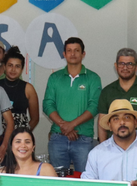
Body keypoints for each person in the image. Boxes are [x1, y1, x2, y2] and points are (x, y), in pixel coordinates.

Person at [42, 37, 101, 173]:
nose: (73, 54)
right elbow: (47, 104)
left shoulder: (93, 78)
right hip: (57, 138)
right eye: (69, 50)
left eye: (76, 50)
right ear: (64, 54)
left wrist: (71, 125)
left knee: (84, 181)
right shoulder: (54, 78)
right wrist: (64, 125)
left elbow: (95, 106)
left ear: (83, 54)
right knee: (57, 182)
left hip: (84, 139)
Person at [98, 48, 137, 142]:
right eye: (121, 64)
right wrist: (102, 148)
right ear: (116, 66)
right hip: (113, 149)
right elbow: (102, 122)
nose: (125, 67)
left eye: (130, 64)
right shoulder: (107, 91)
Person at [0, 47, 40, 132]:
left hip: (20, 138)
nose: (13, 69)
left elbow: (35, 119)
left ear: (22, 69)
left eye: (17, 66)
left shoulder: (28, 88)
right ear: (4, 67)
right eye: (10, 65)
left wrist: (23, 134)